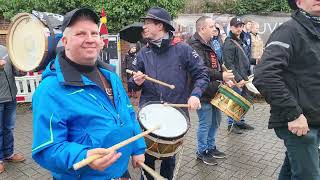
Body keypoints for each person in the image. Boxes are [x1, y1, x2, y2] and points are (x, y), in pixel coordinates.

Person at [31, 8, 146, 180]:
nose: (90, 39)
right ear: (65, 41)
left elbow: (128, 114)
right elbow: (47, 148)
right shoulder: (50, 90)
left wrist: (137, 148)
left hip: (120, 170)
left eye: (94, 33)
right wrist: (83, 156)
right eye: (81, 34)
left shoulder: (111, 76)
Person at [128, 7, 209, 180]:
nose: (144, 27)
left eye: (148, 23)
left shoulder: (183, 49)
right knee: (146, 159)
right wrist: (136, 81)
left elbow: (202, 74)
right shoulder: (143, 52)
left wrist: (195, 94)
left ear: (160, 26)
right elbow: (131, 84)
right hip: (148, 113)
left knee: (168, 160)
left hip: (175, 112)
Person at [253, 0, 320, 179]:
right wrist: (294, 114)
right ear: (298, 2)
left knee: (291, 170)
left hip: (313, 120)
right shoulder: (289, 30)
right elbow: (265, 75)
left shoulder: (316, 31)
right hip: (299, 123)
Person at [187, 16, 234, 166]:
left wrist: (225, 78)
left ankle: (211, 147)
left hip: (213, 90)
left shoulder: (210, 43)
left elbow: (217, 65)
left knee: (216, 121)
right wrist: (221, 76)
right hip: (201, 91)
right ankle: (202, 152)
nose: (215, 29)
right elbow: (201, 69)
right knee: (205, 123)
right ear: (202, 29)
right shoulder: (193, 45)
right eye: (211, 26)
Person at [223, 17, 254, 134]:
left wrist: (255, 61)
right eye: (236, 26)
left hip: (244, 77)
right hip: (237, 79)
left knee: (243, 101)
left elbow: (244, 59)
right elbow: (229, 64)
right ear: (231, 27)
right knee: (234, 101)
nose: (239, 29)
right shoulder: (229, 43)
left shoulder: (241, 40)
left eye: (241, 26)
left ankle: (240, 122)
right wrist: (238, 79)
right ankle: (231, 124)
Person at [0, 45, 26, 173]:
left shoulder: (6, 49)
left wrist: (21, 70)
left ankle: (8, 154)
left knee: (8, 128)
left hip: (11, 97)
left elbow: (14, 71)